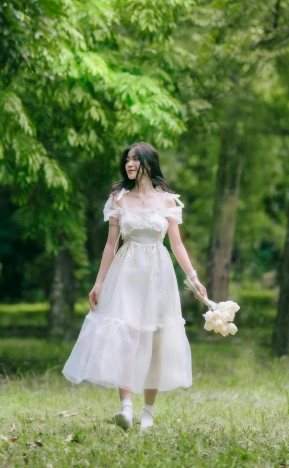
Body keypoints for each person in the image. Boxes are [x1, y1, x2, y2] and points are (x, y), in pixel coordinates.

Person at [62, 141, 207, 430]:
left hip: (158, 272)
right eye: (127, 160)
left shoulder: (167, 200)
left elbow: (176, 243)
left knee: (156, 339)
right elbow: (109, 244)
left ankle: (148, 413)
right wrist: (99, 282)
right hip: (127, 270)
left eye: (135, 159)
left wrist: (194, 278)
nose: (129, 164)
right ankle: (126, 408)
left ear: (149, 164)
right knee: (127, 335)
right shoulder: (119, 199)